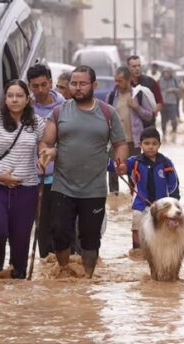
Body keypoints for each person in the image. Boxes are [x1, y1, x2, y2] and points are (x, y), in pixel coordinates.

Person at [38, 65, 128, 278]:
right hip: (63, 186)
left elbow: (120, 143)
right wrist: (46, 153)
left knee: (90, 238)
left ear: (94, 85)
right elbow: (46, 142)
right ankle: (64, 271)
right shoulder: (59, 112)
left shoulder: (108, 113)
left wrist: (120, 160)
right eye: (74, 84)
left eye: (82, 84)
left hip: (94, 188)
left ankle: (87, 278)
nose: (77, 88)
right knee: (60, 233)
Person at [0, 80, 46, 279]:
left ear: (27, 100)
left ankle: (17, 284)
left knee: (21, 241)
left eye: (19, 96)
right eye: (10, 95)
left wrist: (43, 157)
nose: (14, 99)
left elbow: (45, 145)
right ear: (5, 98)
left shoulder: (37, 122)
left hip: (26, 189)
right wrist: (0, 175)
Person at [26, 64, 65, 259]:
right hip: (35, 178)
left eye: (44, 84)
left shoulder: (64, 107)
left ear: (50, 82)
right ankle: (47, 270)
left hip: (61, 177)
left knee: (62, 227)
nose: (40, 90)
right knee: (42, 228)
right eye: (35, 86)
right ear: (30, 86)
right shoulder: (26, 110)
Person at [125, 127, 180, 252]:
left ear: (159, 145)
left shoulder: (166, 163)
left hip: (161, 205)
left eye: (154, 144)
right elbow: (118, 167)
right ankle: (137, 250)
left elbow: (174, 185)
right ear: (140, 145)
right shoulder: (134, 162)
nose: (151, 147)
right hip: (140, 203)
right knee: (137, 222)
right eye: (147, 143)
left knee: (164, 229)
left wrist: (174, 203)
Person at [107, 66, 153, 193]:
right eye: (115, 80)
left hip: (134, 141)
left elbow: (149, 115)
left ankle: (134, 199)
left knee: (134, 173)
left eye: (120, 80)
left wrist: (136, 107)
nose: (117, 83)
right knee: (113, 173)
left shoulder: (138, 94)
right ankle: (114, 203)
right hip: (116, 141)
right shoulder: (112, 96)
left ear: (128, 80)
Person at [126, 55, 163, 128]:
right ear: (128, 67)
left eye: (139, 66)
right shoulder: (125, 84)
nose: (137, 68)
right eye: (134, 66)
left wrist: (152, 113)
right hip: (131, 125)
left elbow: (160, 102)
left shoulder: (150, 82)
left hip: (148, 125)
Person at [158, 69, 180, 135]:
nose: (166, 74)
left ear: (170, 73)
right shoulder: (160, 80)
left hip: (172, 102)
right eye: (165, 73)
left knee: (173, 119)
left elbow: (179, 89)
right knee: (163, 120)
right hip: (163, 103)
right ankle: (164, 134)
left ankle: (174, 133)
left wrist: (173, 90)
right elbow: (156, 90)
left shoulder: (174, 80)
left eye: (168, 73)